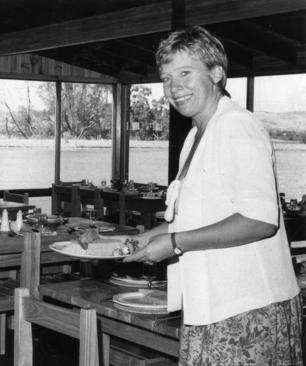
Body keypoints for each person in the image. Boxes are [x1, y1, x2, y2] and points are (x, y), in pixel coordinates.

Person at [124, 26, 302, 365]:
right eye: (166, 78)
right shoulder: (194, 136)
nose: (174, 87)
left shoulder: (238, 126)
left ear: (217, 73)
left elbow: (260, 221)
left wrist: (174, 242)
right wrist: (150, 236)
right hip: (209, 304)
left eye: (185, 73)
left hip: (248, 309)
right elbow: (196, 218)